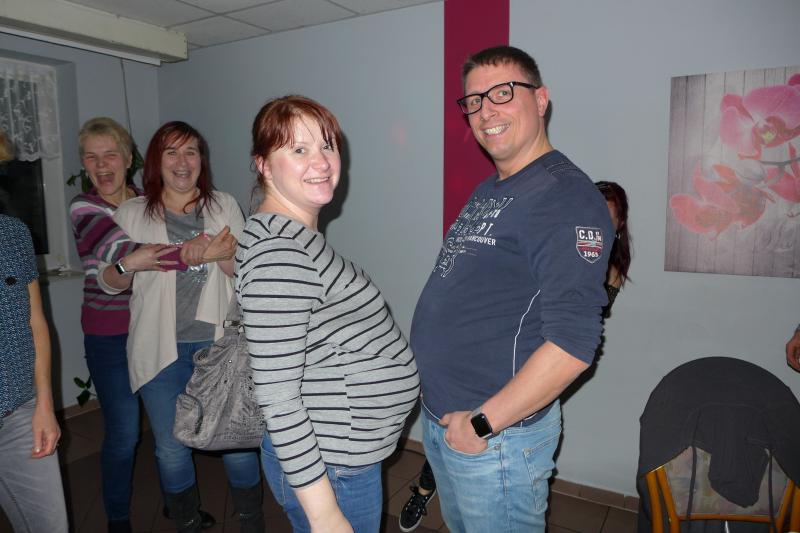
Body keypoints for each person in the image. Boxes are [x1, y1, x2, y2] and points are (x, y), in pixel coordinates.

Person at [409, 45, 613, 533]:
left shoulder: (563, 197)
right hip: (447, 419)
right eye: (474, 100)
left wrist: (481, 423)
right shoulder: (493, 188)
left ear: (540, 100)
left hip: (493, 436)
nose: (486, 111)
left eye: (502, 93)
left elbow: (573, 345)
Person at [398, 180, 632, 532]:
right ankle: (426, 486)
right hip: (445, 405)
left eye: (605, 217)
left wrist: (480, 424)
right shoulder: (512, 212)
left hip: (494, 428)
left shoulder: (590, 259)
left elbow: (573, 341)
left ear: (618, 225)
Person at [237, 95, 420, 533]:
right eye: (298, 149)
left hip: (340, 455)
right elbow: (278, 397)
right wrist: (324, 514)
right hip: (330, 466)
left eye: (327, 145)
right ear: (263, 165)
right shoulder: (279, 254)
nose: (320, 161)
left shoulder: (292, 237)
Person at [100, 121, 262, 532]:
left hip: (219, 345)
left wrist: (217, 255)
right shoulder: (132, 214)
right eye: (171, 152)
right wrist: (129, 264)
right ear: (156, 162)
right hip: (160, 349)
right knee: (171, 448)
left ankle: (252, 521)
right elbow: (109, 281)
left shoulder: (223, 205)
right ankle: (187, 521)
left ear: (201, 160)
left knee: (238, 443)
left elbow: (245, 272)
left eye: (190, 151)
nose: (182, 161)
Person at [70, 117, 226, 533]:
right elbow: (128, 253)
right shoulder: (86, 208)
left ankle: (177, 507)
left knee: (165, 431)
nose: (101, 165)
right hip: (110, 333)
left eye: (110, 155)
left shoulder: (147, 201)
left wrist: (206, 247)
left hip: (158, 328)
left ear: (130, 160)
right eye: (91, 157)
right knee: (125, 434)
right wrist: (204, 249)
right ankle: (118, 519)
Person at [0, 214, 68, 532]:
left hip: (20, 412)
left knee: (51, 526)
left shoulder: (13, 233)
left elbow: (36, 321)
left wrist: (44, 404)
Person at [595, 180, 631, 316]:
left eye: (607, 221)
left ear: (619, 224)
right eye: (594, 218)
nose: (598, 226)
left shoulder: (611, 275)